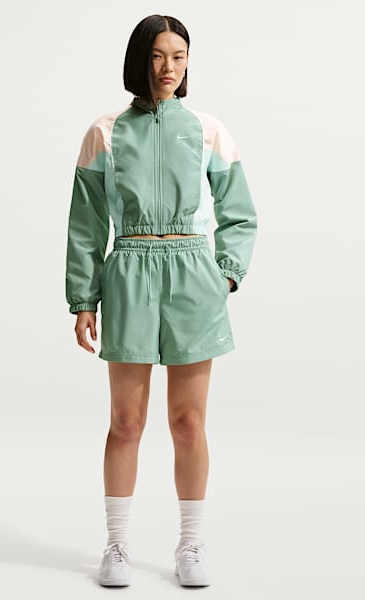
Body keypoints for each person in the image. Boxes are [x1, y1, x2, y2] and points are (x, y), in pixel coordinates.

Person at [65, 14, 257, 588]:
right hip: (129, 271)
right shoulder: (104, 132)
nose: (168, 67)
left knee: (188, 421)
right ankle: (117, 545)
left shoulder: (209, 130)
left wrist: (224, 276)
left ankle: (190, 544)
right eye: (157, 55)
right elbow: (86, 224)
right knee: (126, 422)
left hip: (193, 274)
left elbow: (239, 213)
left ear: (189, 61)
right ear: (138, 60)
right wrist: (84, 298)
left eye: (179, 55)